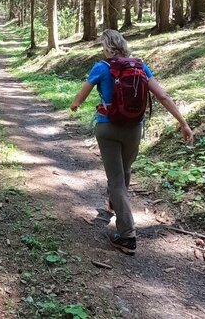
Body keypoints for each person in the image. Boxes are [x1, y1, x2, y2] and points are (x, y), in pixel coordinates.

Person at [69, 29, 194, 255]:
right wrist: (183, 123)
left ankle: (127, 236)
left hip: (107, 128)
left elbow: (82, 96)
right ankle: (114, 203)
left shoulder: (101, 67)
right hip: (134, 129)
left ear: (106, 48)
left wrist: (75, 104)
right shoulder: (140, 66)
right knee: (125, 170)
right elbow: (163, 96)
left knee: (116, 180)